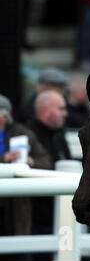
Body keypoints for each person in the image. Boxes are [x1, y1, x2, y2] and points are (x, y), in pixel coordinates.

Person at [0, 94, 51, 238]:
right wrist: (4, 158)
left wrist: (31, 162)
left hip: (15, 204)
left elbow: (46, 161)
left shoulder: (21, 133)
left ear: (5, 116)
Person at [26, 91, 71, 241]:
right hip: (36, 217)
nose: (65, 113)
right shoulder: (27, 134)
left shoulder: (58, 134)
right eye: (61, 109)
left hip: (62, 212)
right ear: (46, 109)